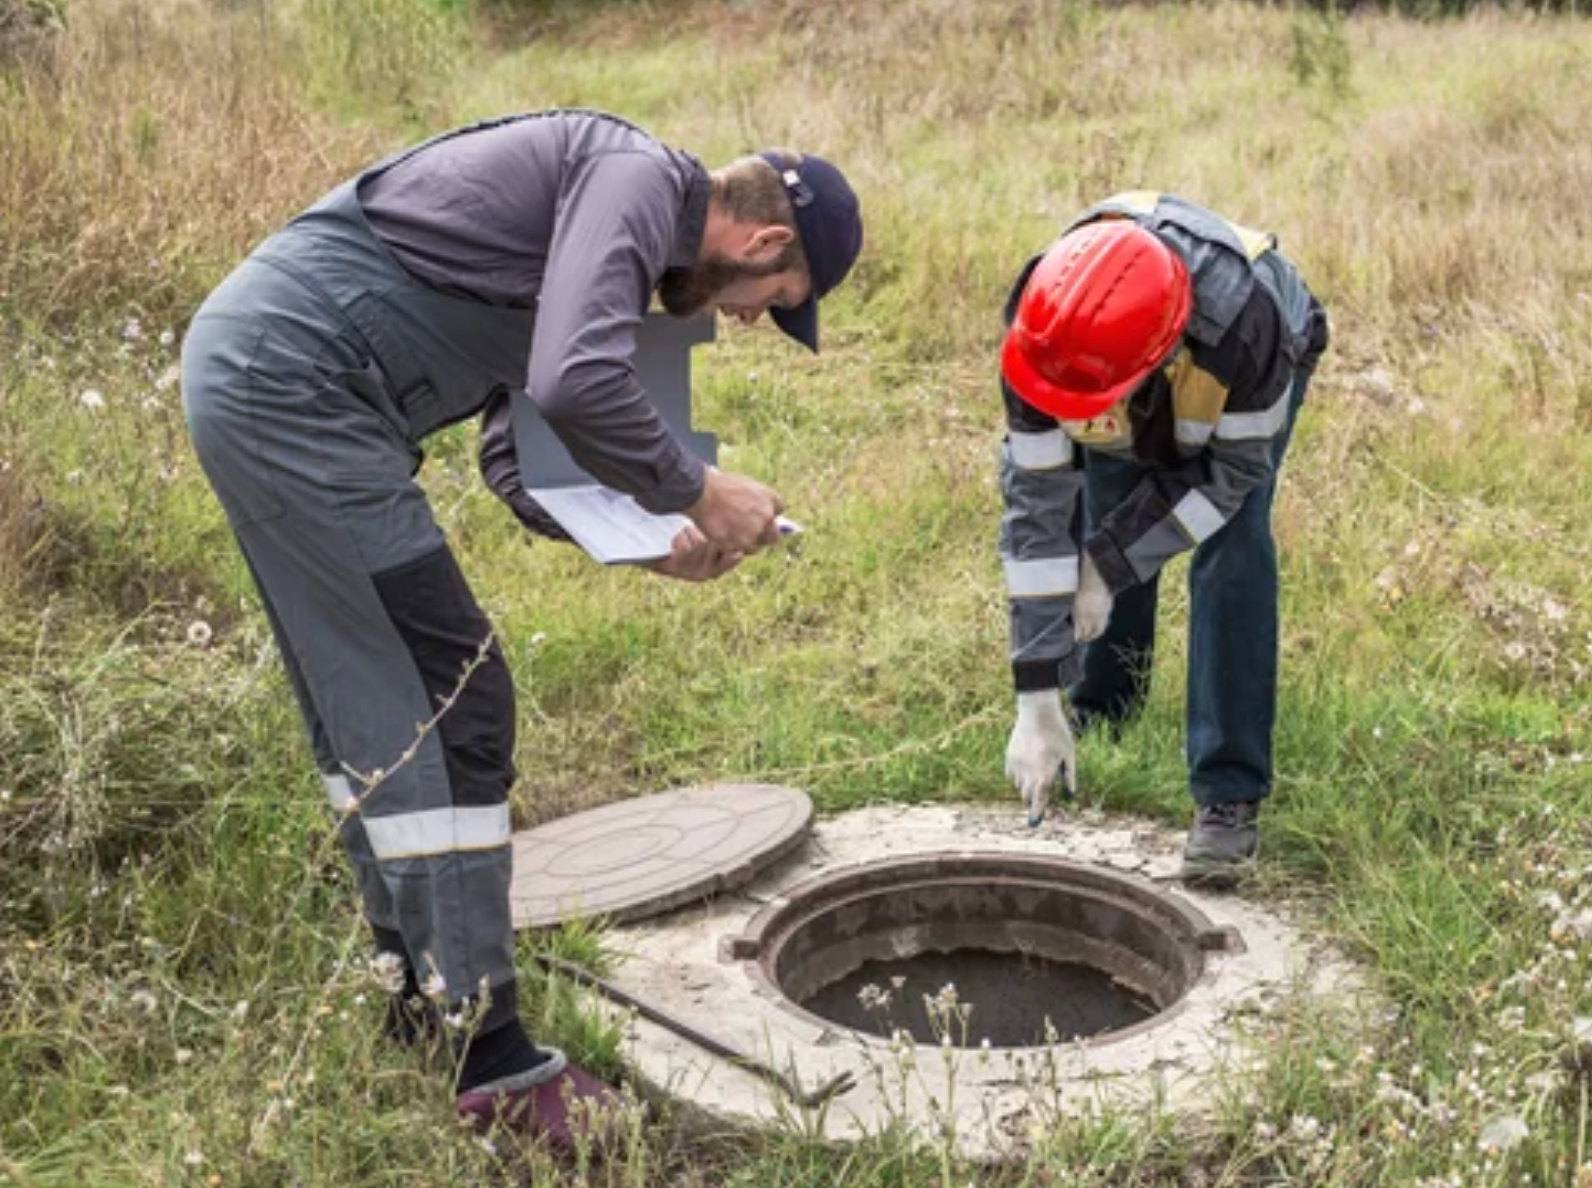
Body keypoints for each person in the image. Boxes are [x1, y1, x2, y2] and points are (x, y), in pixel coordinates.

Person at [179, 109, 862, 1160]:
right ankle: (487, 1059)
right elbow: (580, 385)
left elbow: (523, 458)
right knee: (454, 701)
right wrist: (699, 485)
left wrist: (655, 540)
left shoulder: (621, 257)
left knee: (385, 703)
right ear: (766, 246)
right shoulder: (634, 175)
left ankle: (418, 998)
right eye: (776, 305)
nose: (751, 322)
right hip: (297, 388)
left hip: (289, 392)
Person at [995, 191, 1328, 889]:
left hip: (1245, 357)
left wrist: (1107, 566)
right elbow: (1036, 511)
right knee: (1109, 499)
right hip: (1119, 355)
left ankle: (1227, 792)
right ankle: (1101, 703)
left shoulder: (1249, 329)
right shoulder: (1046, 329)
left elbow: (1228, 478)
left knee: (1231, 553)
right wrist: (1036, 693)